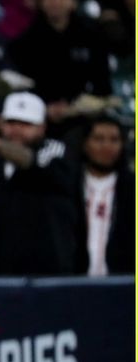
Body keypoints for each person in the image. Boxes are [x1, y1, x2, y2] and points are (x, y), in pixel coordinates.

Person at [0, 91, 79, 276]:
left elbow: (34, 165)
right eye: (11, 123)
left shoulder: (56, 152)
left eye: (26, 124)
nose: (16, 130)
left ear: (42, 127)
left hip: (48, 272)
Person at [8, 0, 113, 131]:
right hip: (38, 118)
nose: (55, 2)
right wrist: (45, 107)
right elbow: (21, 85)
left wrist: (78, 106)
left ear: (72, 1)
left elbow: (103, 85)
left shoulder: (92, 38)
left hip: (83, 117)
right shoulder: (24, 42)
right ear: (41, 1)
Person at [73, 115, 133, 276]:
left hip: (122, 284)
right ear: (85, 144)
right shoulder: (68, 185)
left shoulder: (132, 188)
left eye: (114, 140)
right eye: (98, 139)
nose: (107, 146)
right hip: (72, 282)